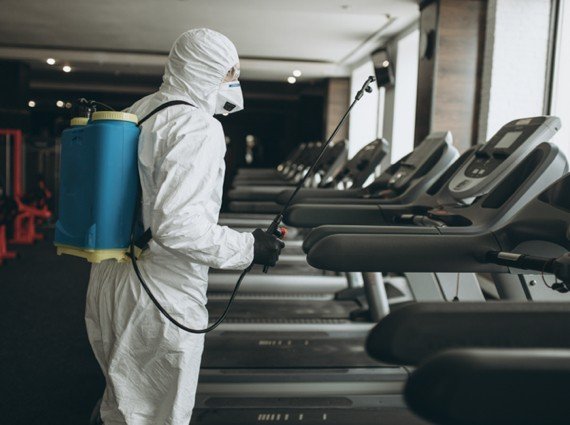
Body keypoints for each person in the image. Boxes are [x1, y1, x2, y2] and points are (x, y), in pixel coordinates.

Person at [85, 28, 284, 425]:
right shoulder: (197, 126)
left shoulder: (144, 109)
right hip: (160, 294)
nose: (235, 83)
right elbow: (177, 227)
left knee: (122, 405)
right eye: (231, 73)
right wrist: (250, 248)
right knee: (156, 415)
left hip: (110, 280)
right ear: (209, 69)